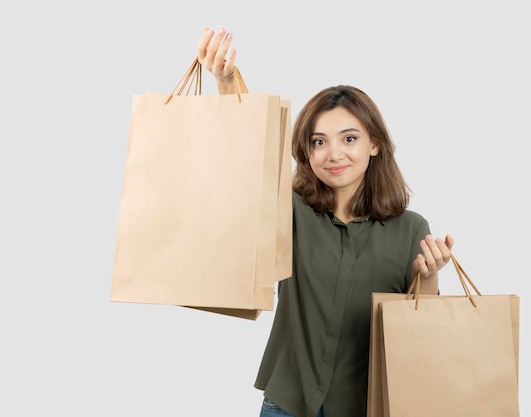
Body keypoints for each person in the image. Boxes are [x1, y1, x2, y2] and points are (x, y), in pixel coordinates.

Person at [195, 27, 455, 417]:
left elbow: (421, 333)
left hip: (367, 405)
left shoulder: (411, 228)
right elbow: (252, 158)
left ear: (374, 144)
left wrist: (428, 274)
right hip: (288, 401)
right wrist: (227, 81)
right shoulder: (290, 209)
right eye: (319, 141)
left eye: (349, 139)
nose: (333, 153)